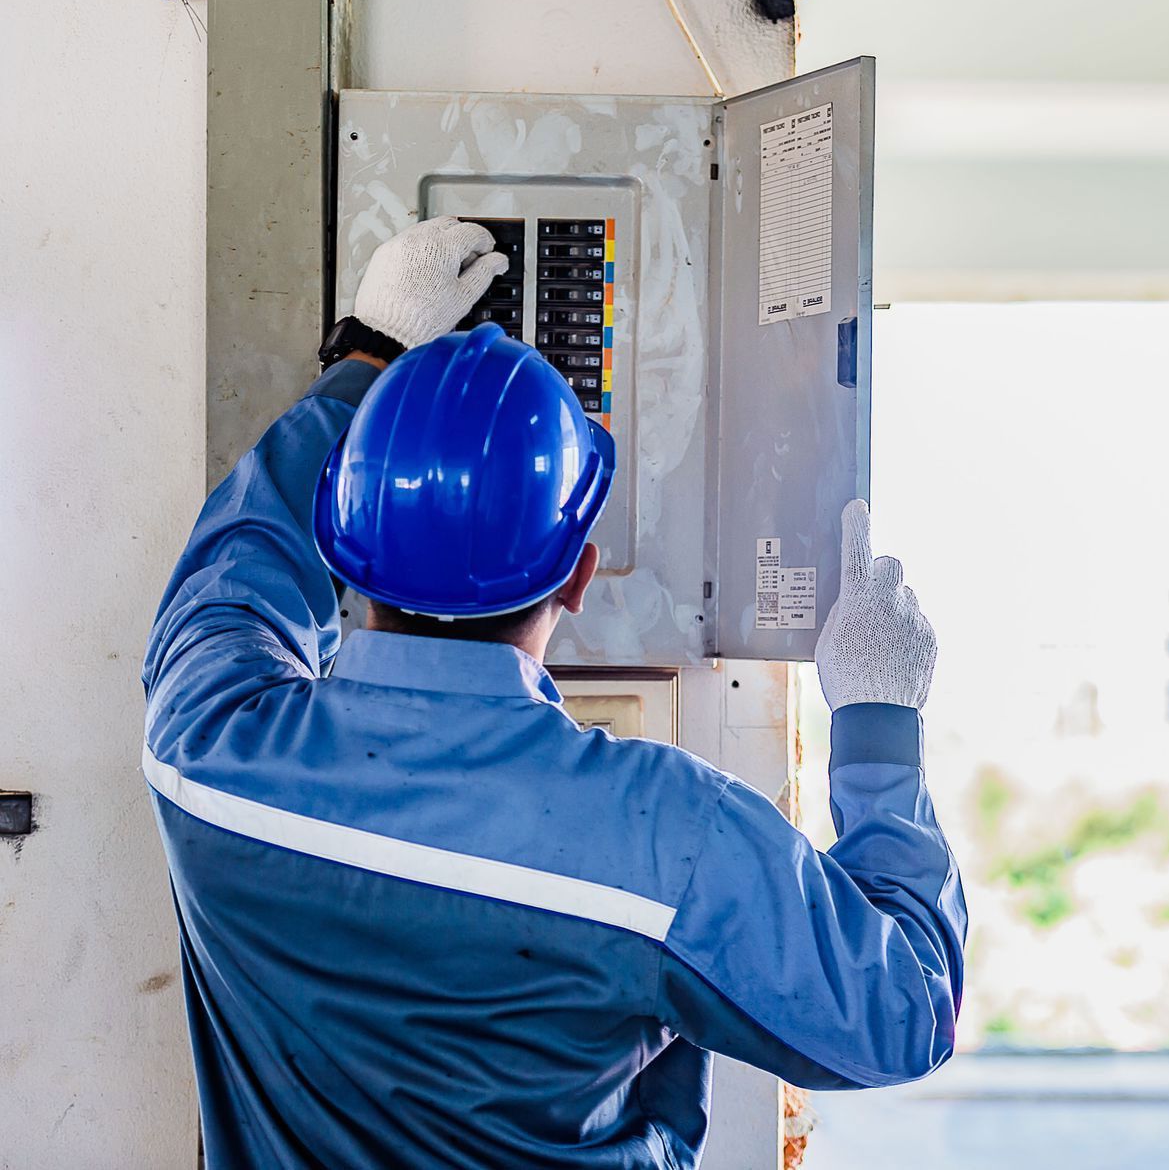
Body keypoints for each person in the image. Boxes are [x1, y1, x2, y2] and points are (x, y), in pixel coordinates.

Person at [142, 216, 966, 1168]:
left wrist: (371, 356)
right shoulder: (669, 838)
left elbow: (241, 563)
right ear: (578, 574)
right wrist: (878, 717)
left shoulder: (207, 749)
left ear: (344, 542)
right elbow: (904, 1012)